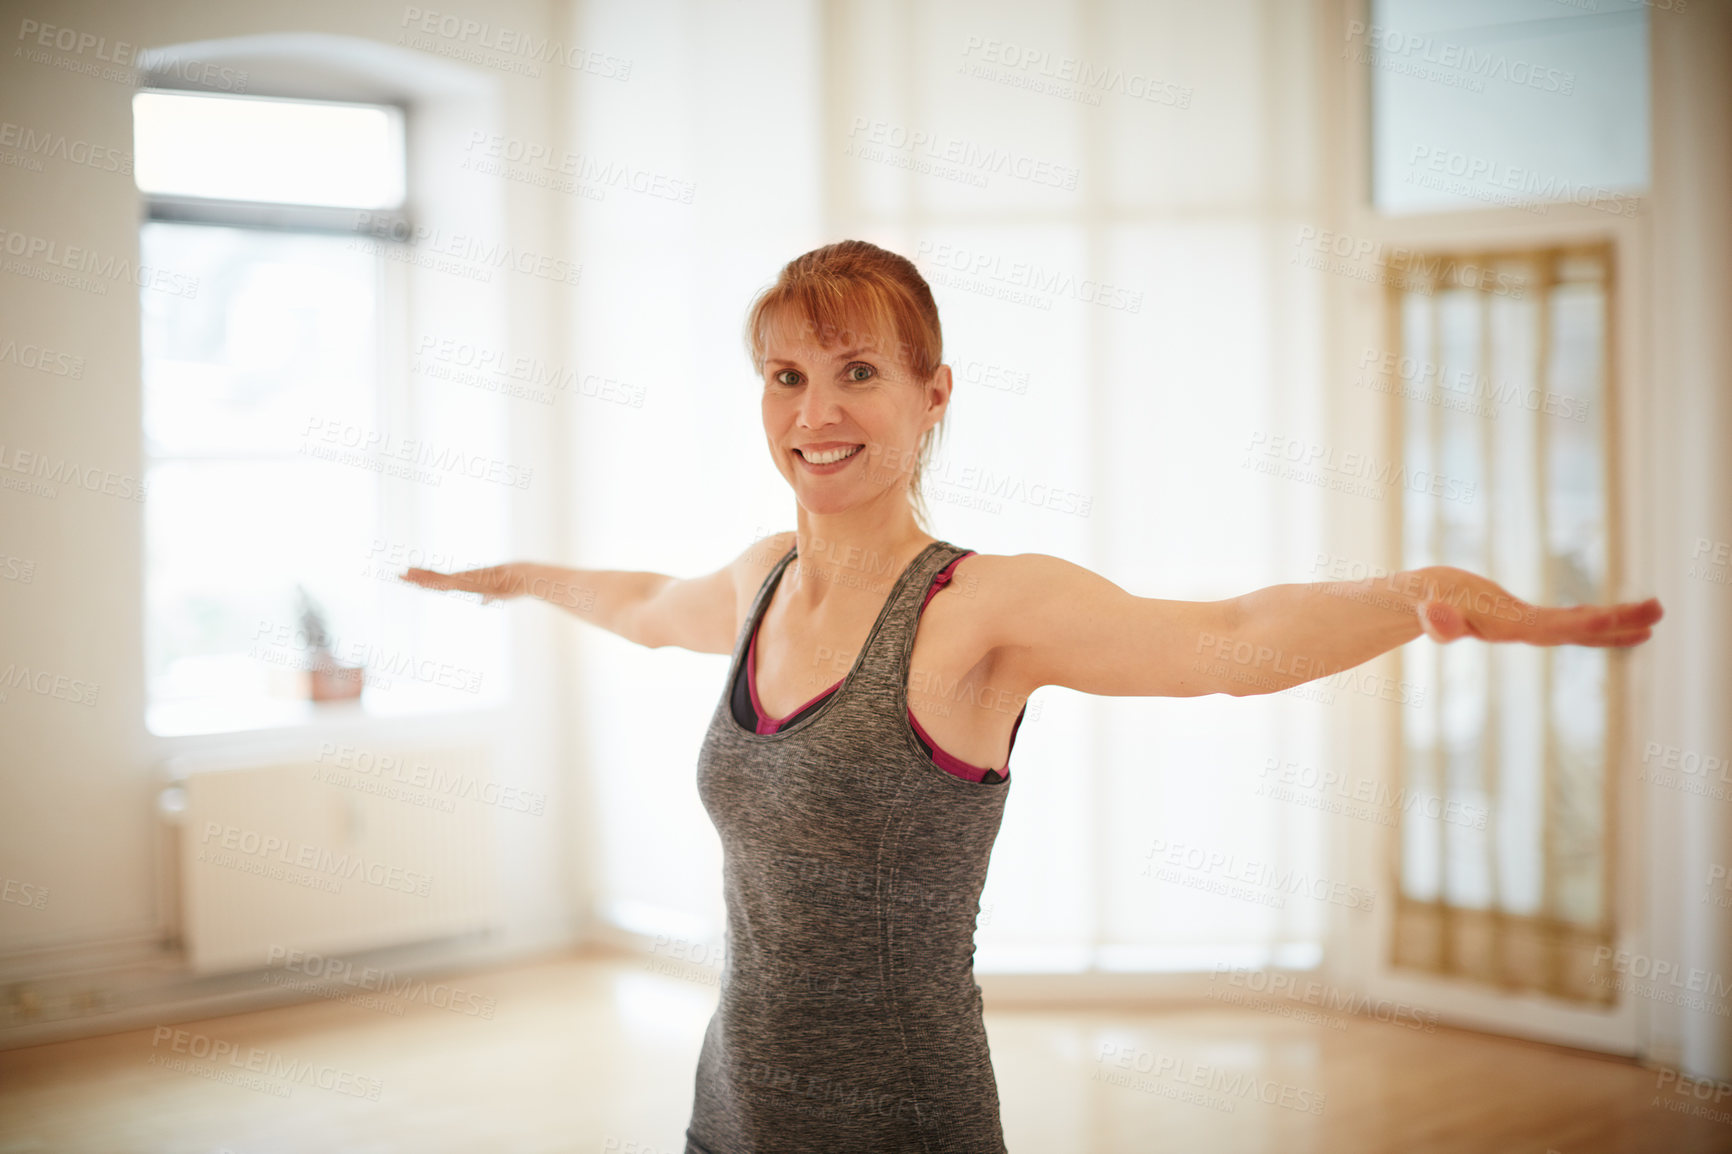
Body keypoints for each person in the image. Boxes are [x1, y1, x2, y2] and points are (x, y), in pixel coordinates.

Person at [399, 239, 1663, 1153]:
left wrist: (1418, 592)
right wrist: (514, 578)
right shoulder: (759, 578)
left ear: (930, 392)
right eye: (785, 377)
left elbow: (1223, 637)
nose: (815, 411)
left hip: (905, 1121)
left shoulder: (976, 608)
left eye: (857, 372)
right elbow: (640, 602)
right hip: (732, 1108)